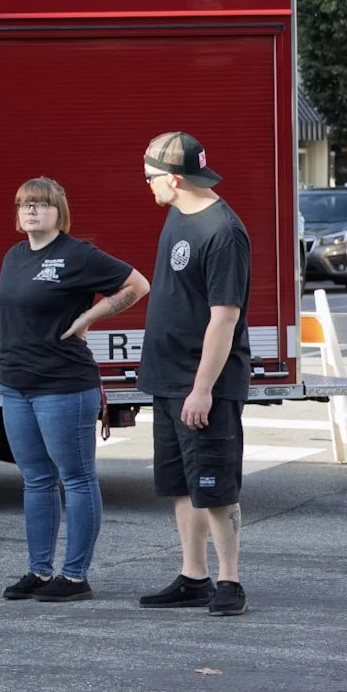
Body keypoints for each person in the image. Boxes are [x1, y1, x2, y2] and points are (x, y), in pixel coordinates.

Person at [0, 178, 150, 602]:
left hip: (63, 385)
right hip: (16, 385)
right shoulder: (14, 256)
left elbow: (137, 285)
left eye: (41, 205)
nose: (31, 212)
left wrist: (89, 318)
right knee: (36, 480)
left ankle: (76, 576)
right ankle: (39, 572)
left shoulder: (76, 254)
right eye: (24, 204)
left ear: (58, 212)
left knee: (76, 479)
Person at [135, 132, 252, 618]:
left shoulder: (223, 231)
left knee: (215, 488)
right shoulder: (177, 213)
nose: (148, 187)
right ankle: (193, 576)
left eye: (151, 179)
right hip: (166, 378)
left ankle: (230, 581)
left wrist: (202, 388)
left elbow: (224, 317)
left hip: (203, 384)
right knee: (182, 485)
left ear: (175, 179)